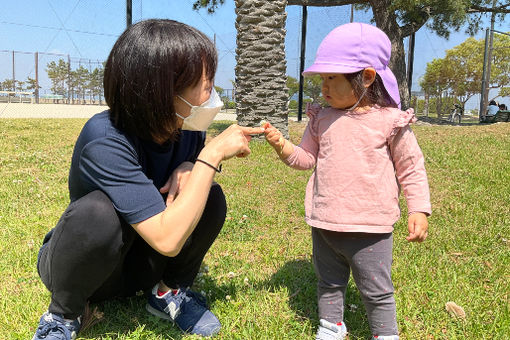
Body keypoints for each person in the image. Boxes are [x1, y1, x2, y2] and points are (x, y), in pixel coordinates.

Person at [32, 19, 264, 340]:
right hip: (90, 271)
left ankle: (166, 294)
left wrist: (191, 164)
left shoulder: (187, 126)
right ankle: (63, 315)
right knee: (98, 212)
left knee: (209, 196)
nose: (213, 92)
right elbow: (167, 240)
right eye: (206, 82)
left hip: (142, 263)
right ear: (163, 92)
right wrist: (208, 158)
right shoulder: (105, 138)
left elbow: (174, 222)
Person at [262, 23, 431, 340]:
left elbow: (411, 167)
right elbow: (306, 159)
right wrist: (282, 146)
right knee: (329, 282)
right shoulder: (321, 119)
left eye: (333, 78)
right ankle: (331, 325)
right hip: (325, 223)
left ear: (367, 77)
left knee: (377, 289)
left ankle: (385, 333)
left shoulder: (388, 121)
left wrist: (418, 208)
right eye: (322, 78)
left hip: (369, 228)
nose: (323, 86)